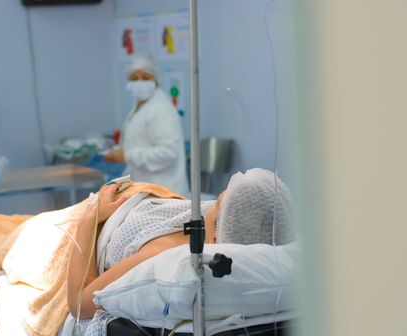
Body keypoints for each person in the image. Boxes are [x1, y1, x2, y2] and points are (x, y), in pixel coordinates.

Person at [67, 168, 293, 319]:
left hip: (95, 219)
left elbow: (80, 305)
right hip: (130, 200)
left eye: (222, 201)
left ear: (216, 241)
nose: (222, 194)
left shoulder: (161, 253)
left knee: (29, 224)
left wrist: (88, 220)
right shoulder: (229, 217)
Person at [104, 53, 189, 196]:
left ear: (155, 78)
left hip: (164, 193)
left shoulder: (161, 109)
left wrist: (128, 156)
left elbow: (168, 153)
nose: (140, 82)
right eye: (134, 78)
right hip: (148, 190)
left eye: (145, 77)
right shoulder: (140, 107)